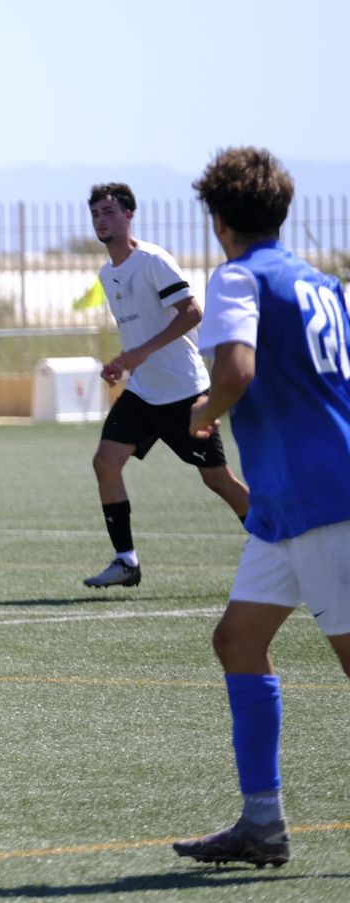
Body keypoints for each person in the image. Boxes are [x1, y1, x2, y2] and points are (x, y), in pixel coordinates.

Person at [173, 147, 350, 868]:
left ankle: (262, 823)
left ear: (218, 221)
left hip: (319, 499)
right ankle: (262, 824)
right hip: (285, 505)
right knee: (237, 641)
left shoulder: (237, 277)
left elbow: (237, 368)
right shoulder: (324, 284)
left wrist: (204, 409)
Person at [83, 182, 249, 588]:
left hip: (182, 391)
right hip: (142, 391)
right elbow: (140, 333)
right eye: (95, 214)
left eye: (108, 211)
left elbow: (193, 312)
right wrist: (125, 362)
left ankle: (278, 542)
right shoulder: (108, 273)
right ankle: (126, 561)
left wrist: (138, 353)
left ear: (128, 215)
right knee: (105, 462)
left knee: (217, 479)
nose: (101, 220)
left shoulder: (153, 260)